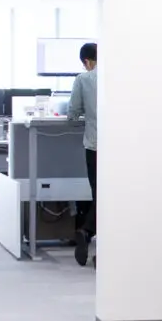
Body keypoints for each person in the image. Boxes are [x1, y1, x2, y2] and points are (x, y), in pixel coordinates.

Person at [65, 42, 98, 265]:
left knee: (99, 193)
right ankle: (89, 231)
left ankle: (86, 230)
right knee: (109, 196)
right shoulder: (119, 77)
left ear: (87, 61)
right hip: (122, 150)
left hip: (95, 146)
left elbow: (73, 113)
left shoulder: (84, 79)